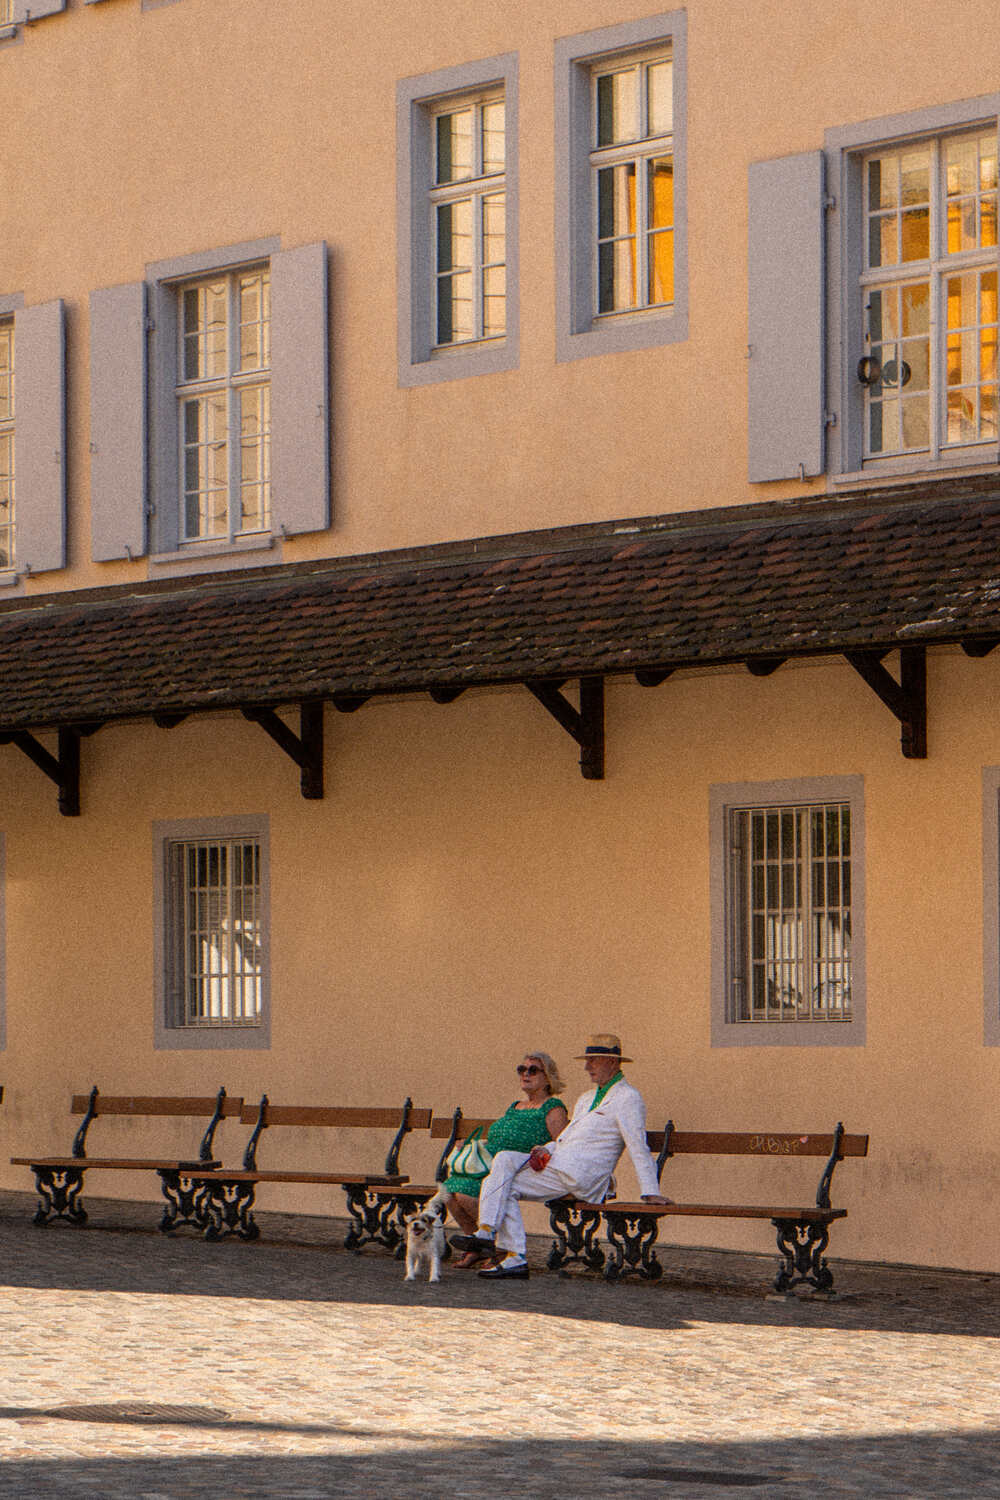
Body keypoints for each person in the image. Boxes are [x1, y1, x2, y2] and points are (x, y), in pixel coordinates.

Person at [451, 1033, 670, 1280]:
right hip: (559, 1166)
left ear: (612, 1062)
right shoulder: (587, 1098)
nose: (587, 1067)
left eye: (593, 1060)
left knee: (503, 1179)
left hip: (582, 1177)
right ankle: (505, 1248)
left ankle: (492, 1238)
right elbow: (567, 1137)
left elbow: (637, 1145)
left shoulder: (628, 1098)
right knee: (502, 1166)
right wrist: (548, 1149)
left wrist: (650, 1190)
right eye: (587, 1061)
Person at [442, 1053, 568, 1266]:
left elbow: (562, 1145)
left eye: (533, 1070)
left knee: (464, 1194)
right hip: (491, 1163)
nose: (525, 1074)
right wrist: (473, 1146)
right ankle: (479, 1246)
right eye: (522, 1069)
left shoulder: (553, 1108)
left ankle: (498, 1249)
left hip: (518, 1168)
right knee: (448, 1192)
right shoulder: (515, 1105)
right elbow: (499, 1136)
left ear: (548, 1078)